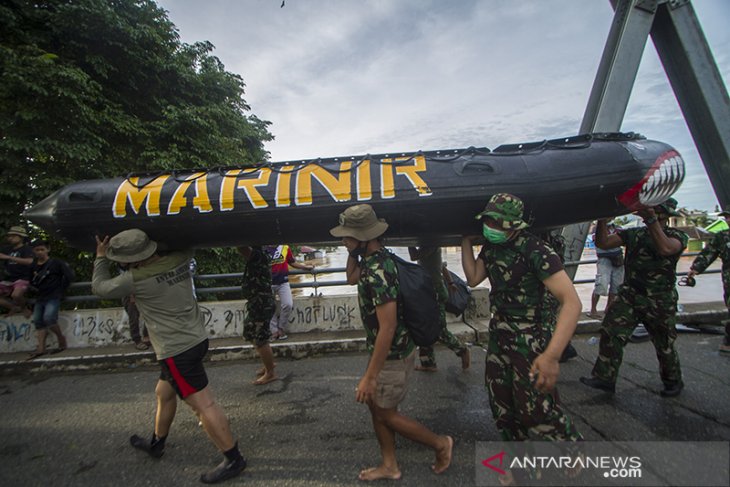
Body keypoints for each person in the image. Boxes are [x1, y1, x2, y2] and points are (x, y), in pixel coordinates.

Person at [91, 229, 246, 484]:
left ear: (130, 260)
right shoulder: (181, 258)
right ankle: (157, 443)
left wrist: (100, 257)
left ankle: (234, 459)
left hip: (176, 351)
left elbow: (99, 287)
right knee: (164, 392)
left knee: (204, 406)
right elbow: (186, 240)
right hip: (196, 340)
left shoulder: (132, 279)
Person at [330, 204, 453, 481]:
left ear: (365, 236)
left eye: (348, 235)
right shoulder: (378, 258)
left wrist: (370, 377)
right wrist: (353, 250)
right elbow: (351, 278)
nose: (343, 240)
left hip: (391, 354)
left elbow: (388, 327)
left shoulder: (378, 273)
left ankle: (440, 444)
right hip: (386, 352)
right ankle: (389, 465)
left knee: (386, 414)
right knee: (378, 409)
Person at [460, 194, 583, 467]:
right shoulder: (492, 247)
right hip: (499, 336)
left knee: (536, 410)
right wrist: (466, 242)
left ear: (515, 224)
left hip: (530, 340)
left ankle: (574, 454)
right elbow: (473, 278)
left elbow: (572, 303)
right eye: (488, 220)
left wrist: (551, 355)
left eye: (497, 222)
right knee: (501, 407)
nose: (491, 226)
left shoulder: (536, 251)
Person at [580, 198, 688, 397]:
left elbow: (665, 249)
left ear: (663, 215)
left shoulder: (677, 236)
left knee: (664, 343)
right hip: (630, 295)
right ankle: (605, 378)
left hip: (659, 299)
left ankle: (673, 381)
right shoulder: (635, 234)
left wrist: (651, 221)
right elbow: (604, 242)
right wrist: (603, 218)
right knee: (611, 331)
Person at [407, 246, 470, 372]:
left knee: (440, 330)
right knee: (425, 328)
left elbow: (414, 256)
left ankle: (462, 350)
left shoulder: (431, 243)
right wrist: (451, 283)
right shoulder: (429, 243)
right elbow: (441, 266)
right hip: (428, 291)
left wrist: (409, 241)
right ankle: (428, 363)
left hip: (435, 292)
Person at [687, 204, 730, 354]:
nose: (728, 219)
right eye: (726, 217)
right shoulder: (722, 237)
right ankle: (728, 343)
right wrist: (695, 269)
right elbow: (709, 253)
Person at [238, 246, 278, 385]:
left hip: (261, 304)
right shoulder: (260, 254)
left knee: (260, 339)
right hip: (258, 303)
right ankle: (269, 364)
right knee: (250, 332)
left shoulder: (258, 255)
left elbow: (241, 248)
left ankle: (270, 373)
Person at [26, 239, 72, 359]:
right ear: (33, 251)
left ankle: (61, 339)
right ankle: (41, 348)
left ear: (47, 250)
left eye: (42, 249)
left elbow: (69, 276)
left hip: (54, 295)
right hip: (40, 296)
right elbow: (30, 281)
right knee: (38, 322)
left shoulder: (56, 263)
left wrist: (61, 290)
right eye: (37, 250)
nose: (40, 252)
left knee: (49, 319)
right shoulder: (33, 266)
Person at [537, 230, 578, 363]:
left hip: (547, 290)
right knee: (550, 319)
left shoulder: (543, 248)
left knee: (547, 321)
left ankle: (559, 350)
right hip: (549, 289)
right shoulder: (554, 243)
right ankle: (563, 348)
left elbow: (573, 304)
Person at [266, 244, 314, 340]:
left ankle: (281, 328)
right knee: (269, 307)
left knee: (288, 304)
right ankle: (274, 331)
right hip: (268, 283)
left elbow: (292, 262)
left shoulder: (285, 247)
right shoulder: (264, 248)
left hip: (283, 282)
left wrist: (305, 267)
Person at [589, 220, 625, 318]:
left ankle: (609, 309)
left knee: (616, 286)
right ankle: (593, 309)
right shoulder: (597, 229)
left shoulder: (618, 228)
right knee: (601, 284)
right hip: (604, 259)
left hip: (617, 260)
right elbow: (598, 242)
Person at [0, 226, 34, 315]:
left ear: (21, 237)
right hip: (8, 279)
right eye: (9, 236)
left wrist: (9, 257)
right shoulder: (7, 249)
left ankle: (24, 308)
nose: (10, 238)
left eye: (13, 236)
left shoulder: (27, 249)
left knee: (16, 295)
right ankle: (14, 308)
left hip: (22, 278)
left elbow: (30, 261)